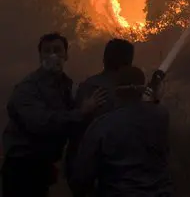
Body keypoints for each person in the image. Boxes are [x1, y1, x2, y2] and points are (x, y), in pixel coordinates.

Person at [1, 32, 107, 197]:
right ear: (40, 56)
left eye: (57, 50)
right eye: (47, 51)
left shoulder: (63, 85)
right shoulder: (28, 88)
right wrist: (81, 112)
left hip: (42, 166)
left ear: (66, 55)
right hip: (22, 167)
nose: (53, 55)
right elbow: (41, 123)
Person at [69, 66, 173, 197]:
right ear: (143, 90)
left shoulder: (101, 127)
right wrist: (154, 97)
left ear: (115, 92)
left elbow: (80, 180)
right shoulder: (162, 116)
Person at [65, 38, 136, 187]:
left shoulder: (88, 86)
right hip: (113, 171)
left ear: (104, 59)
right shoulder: (128, 91)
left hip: (85, 166)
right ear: (129, 63)